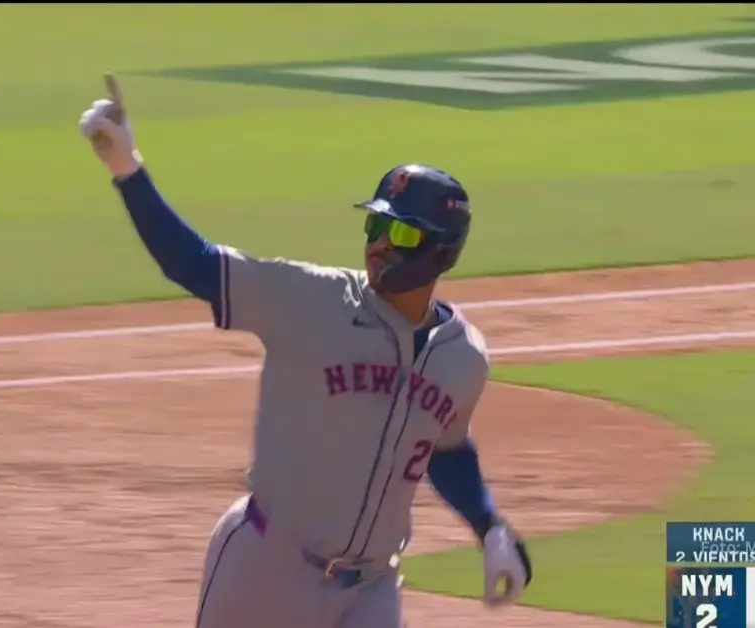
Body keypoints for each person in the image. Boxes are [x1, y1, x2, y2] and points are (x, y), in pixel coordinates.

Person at [79, 73, 531, 628]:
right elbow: (194, 264)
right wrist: (127, 169)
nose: (381, 244)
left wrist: (490, 526)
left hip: (372, 587)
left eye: (405, 235)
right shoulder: (310, 299)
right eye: (376, 225)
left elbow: (446, 447)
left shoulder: (464, 356)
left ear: (444, 251)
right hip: (265, 571)